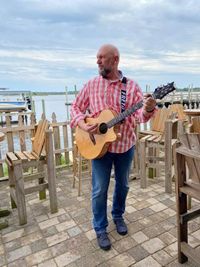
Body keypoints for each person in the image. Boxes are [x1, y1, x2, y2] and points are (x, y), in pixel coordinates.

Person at [70, 44, 156, 250]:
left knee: (123, 185)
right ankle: (100, 228)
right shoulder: (91, 84)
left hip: (125, 145)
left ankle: (118, 216)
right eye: (97, 57)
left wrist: (149, 110)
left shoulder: (131, 86)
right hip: (99, 149)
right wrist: (83, 124)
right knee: (99, 190)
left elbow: (138, 117)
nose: (97, 61)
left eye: (101, 57)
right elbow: (75, 107)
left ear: (115, 59)